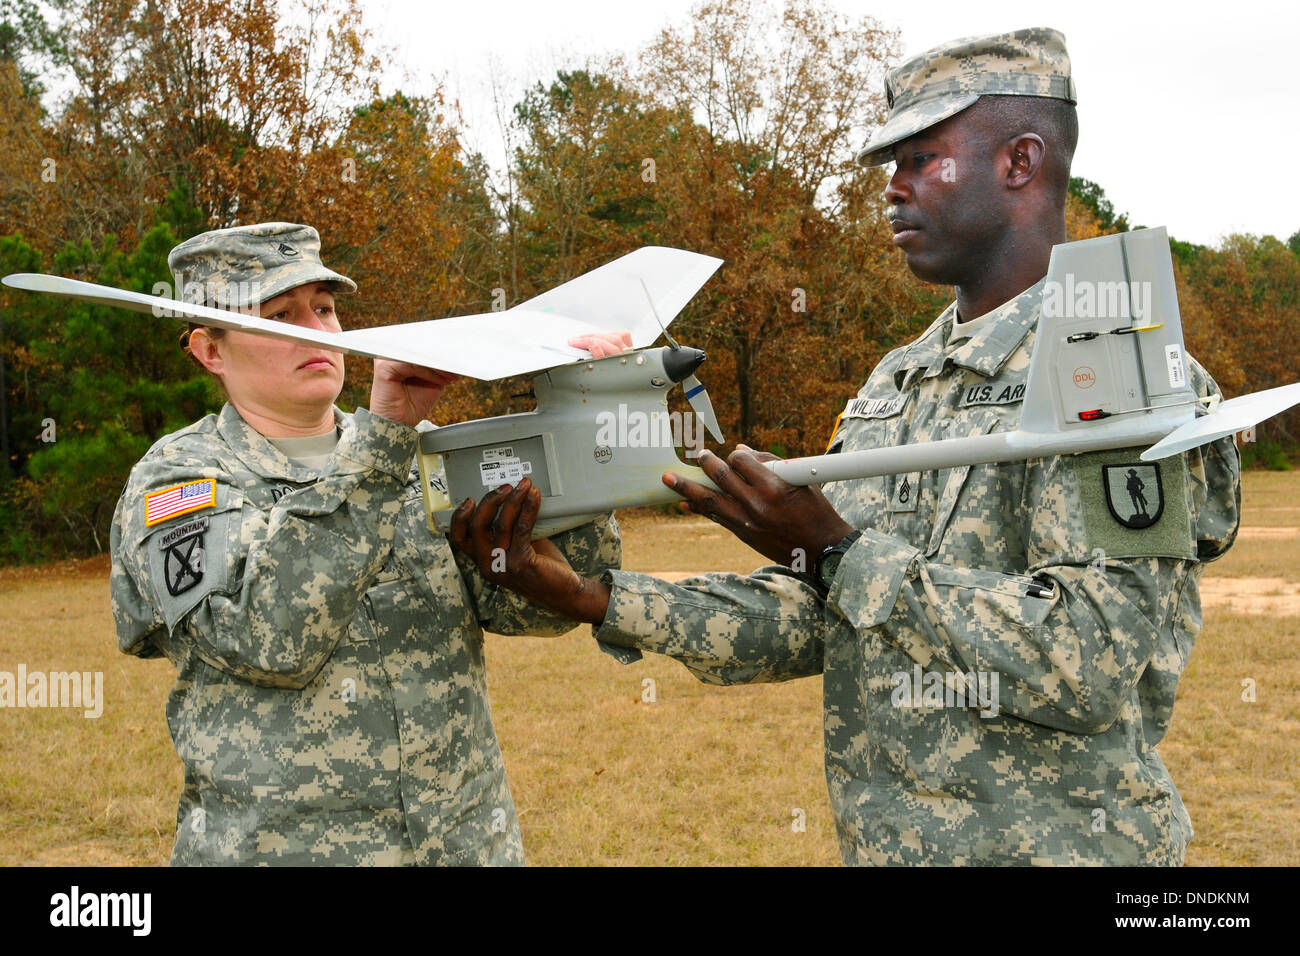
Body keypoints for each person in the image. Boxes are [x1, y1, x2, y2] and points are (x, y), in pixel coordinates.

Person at [451, 28, 1242, 865]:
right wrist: (594, 598)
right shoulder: (898, 380)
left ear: (1020, 162)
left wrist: (836, 551)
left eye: (922, 159)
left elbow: (1089, 657)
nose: (893, 191)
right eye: (890, 168)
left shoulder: (1110, 356)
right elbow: (821, 619)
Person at [109, 221, 625, 865]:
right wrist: (383, 440)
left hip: (465, 847)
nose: (319, 331)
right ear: (210, 350)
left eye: (324, 309)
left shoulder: (418, 452)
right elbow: (270, 639)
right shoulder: (179, 480)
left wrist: (582, 434)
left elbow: (532, 609)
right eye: (280, 315)